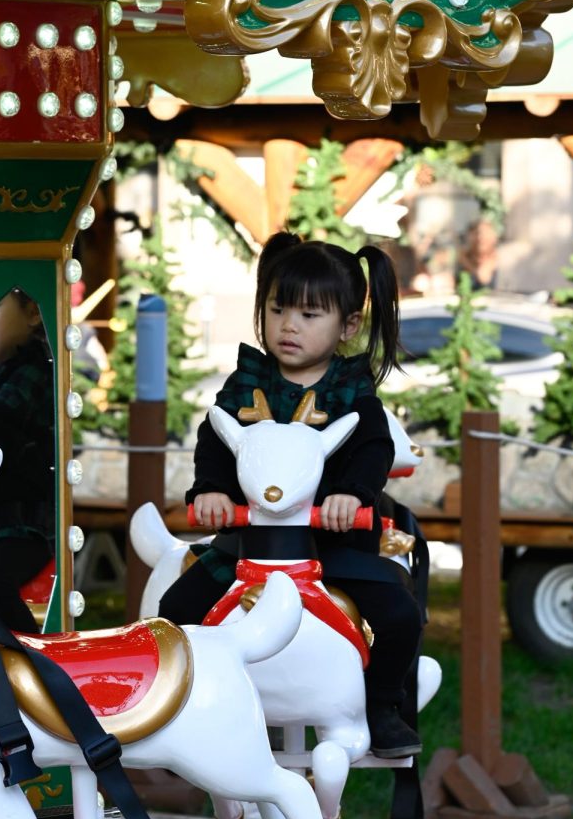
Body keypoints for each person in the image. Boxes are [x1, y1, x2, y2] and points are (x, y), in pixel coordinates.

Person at [158, 232, 424, 758]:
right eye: (278, 309)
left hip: (331, 544)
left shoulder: (352, 392)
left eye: (308, 315)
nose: (288, 326)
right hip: (250, 540)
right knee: (174, 609)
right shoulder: (245, 385)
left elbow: (373, 447)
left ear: (347, 325)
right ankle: (185, 707)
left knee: (399, 614)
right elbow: (214, 439)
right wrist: (210, 488)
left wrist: (352, 494)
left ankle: (380, 705)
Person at [0, 288, 56, 633]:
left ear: (32, 314)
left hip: (23, 526)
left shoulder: (35, 368)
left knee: (0, 587)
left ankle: (34, 658)